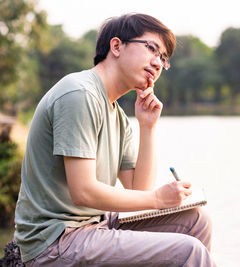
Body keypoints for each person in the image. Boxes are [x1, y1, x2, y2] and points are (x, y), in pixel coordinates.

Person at [14, 13, 215, 266]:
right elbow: (83, 192)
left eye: (163, 59)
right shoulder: (79, 93)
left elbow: (138, 193)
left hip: (93, 225)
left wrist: (148, 126)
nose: (157, 63)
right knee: (188, 252)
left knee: (196, 220)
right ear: (117, 46)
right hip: (56, 241)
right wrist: (158, 198)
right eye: (152, 49)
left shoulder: (117, 114)